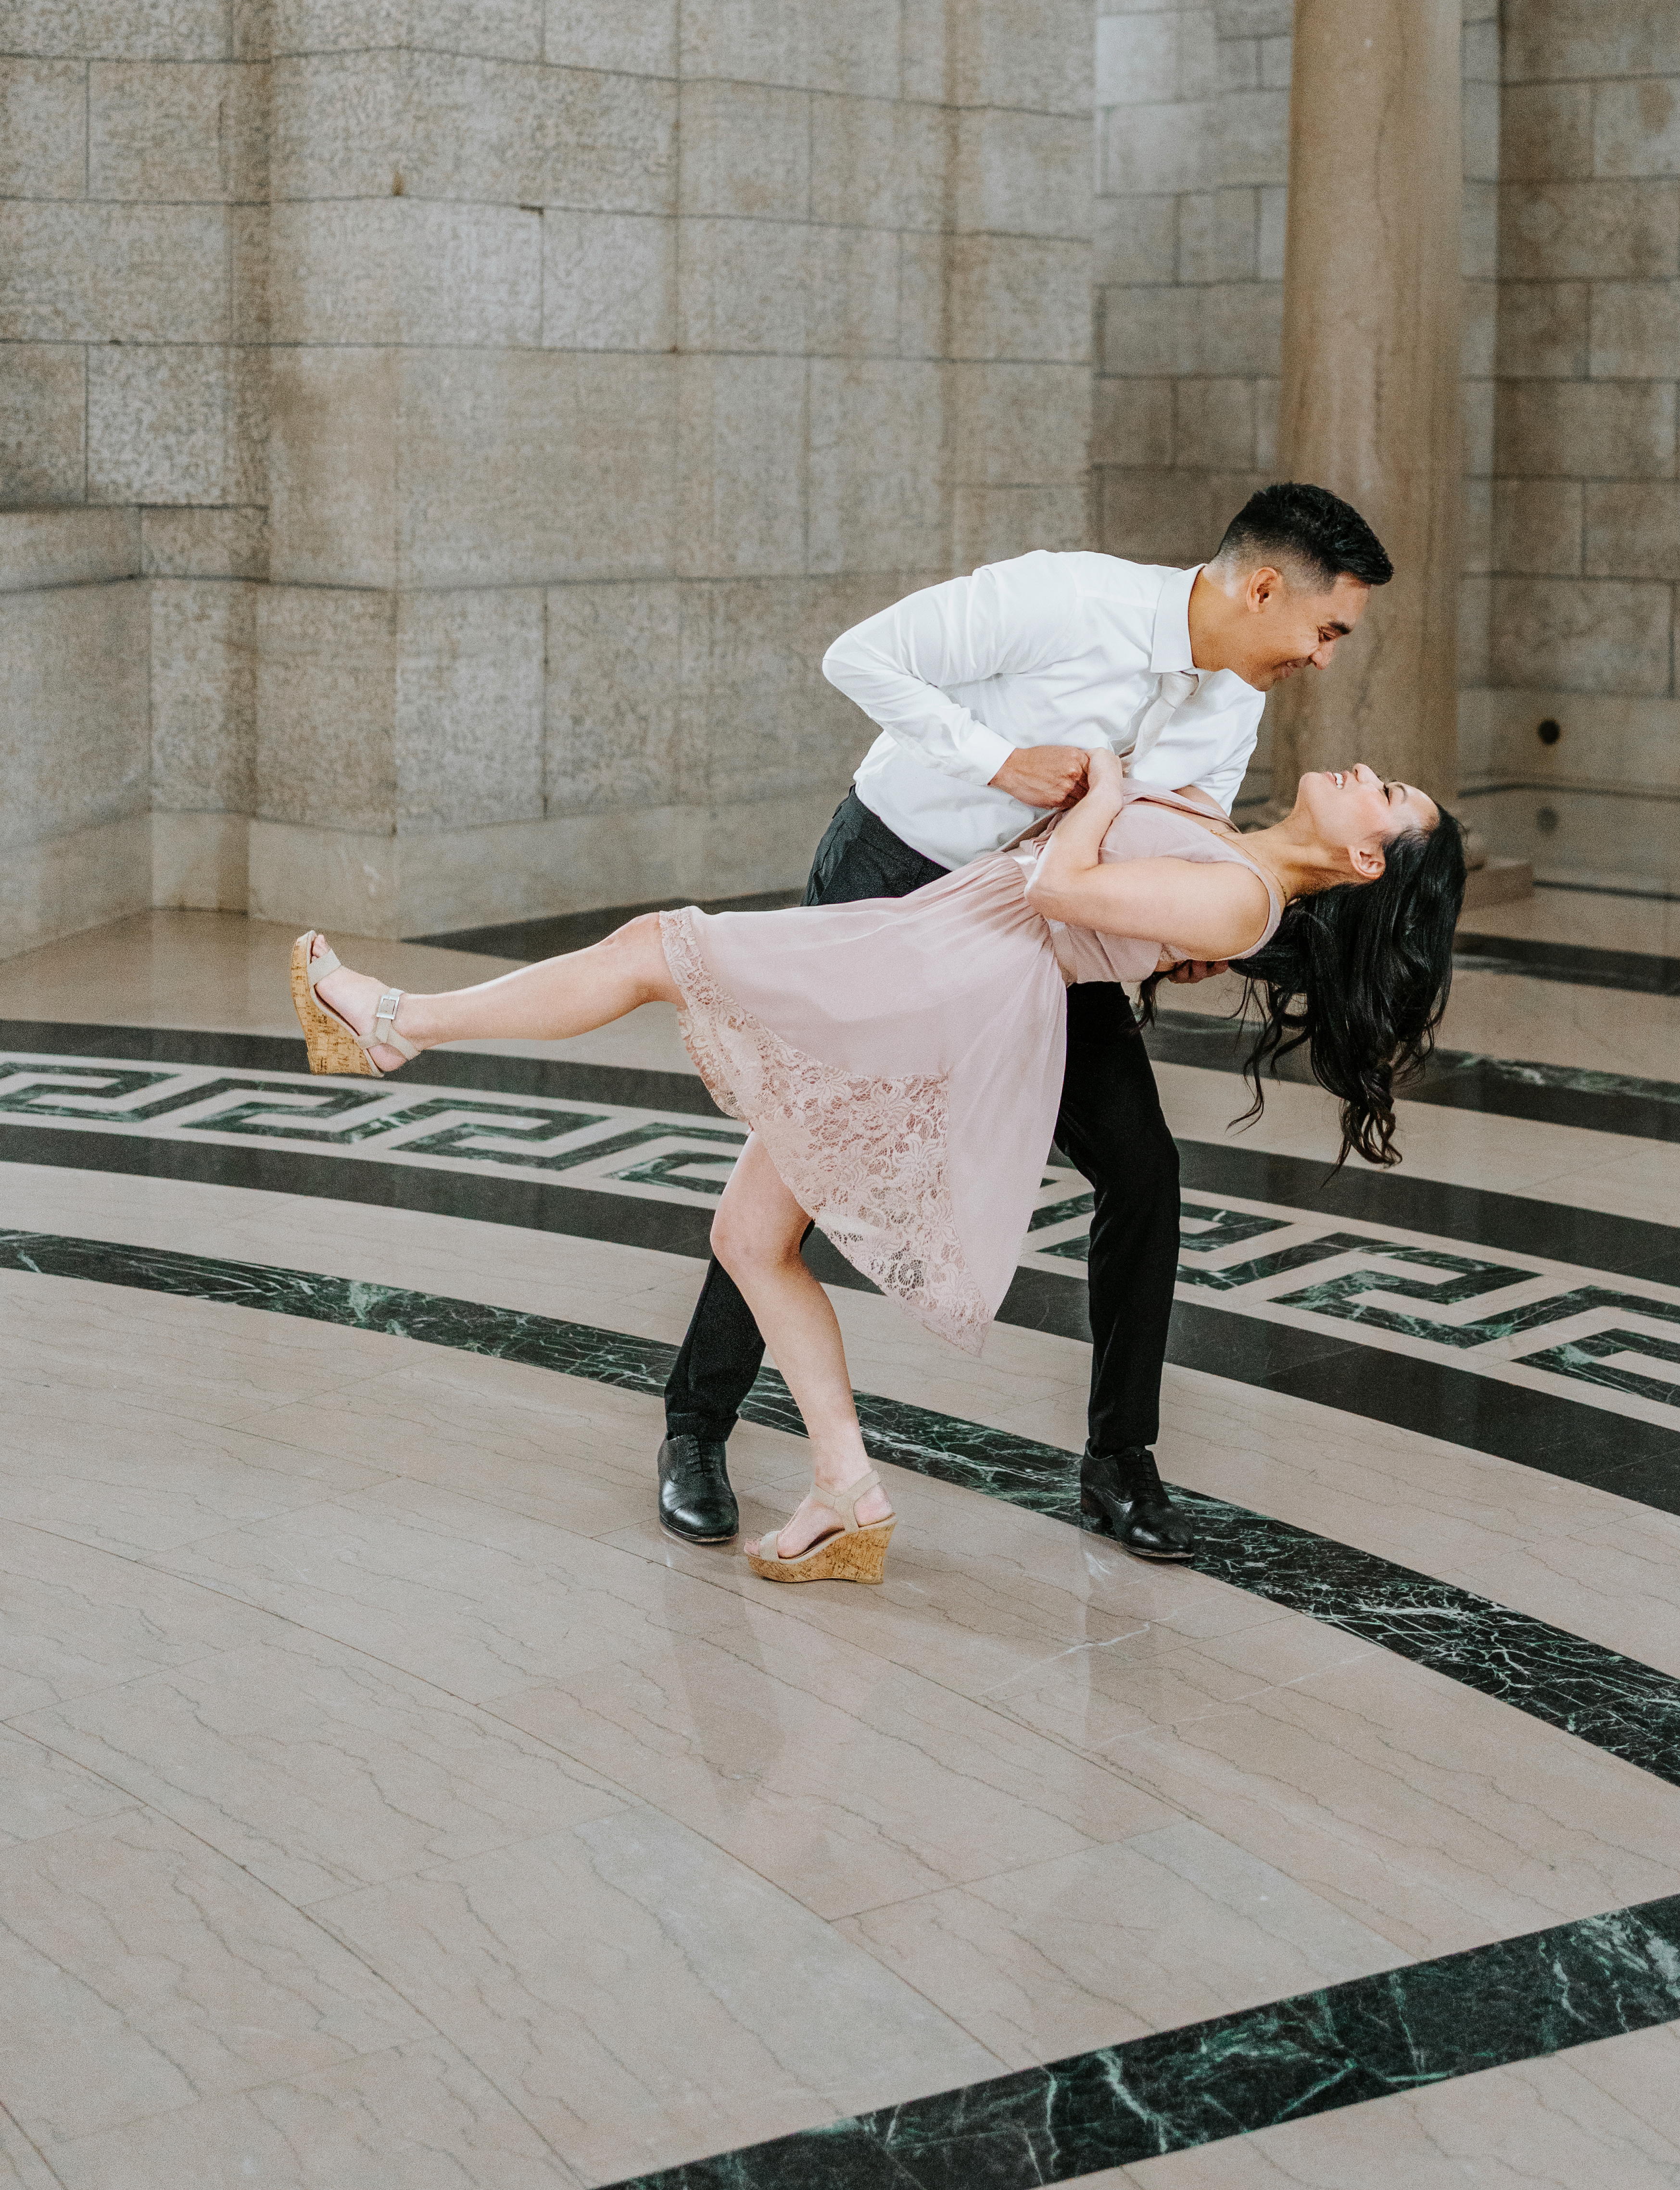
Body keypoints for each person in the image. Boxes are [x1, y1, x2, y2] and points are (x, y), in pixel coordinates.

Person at [292, 745, 1466, 1585]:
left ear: (1367, 855)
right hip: (943, 957)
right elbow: (1101, 907)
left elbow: (1060, 886)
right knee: (751, 1239)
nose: (1371, 772)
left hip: (941, 974)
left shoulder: (1246, 893)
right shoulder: (1238, 860)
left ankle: (398, 1022)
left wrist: (1107, 783)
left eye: (1390, 796)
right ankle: (845, 1489)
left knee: (659, 948)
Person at [652, 478, 1397, 1563]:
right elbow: (858, 657)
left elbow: (1173, 838)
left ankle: (1120, 1461)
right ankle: (694, 1428)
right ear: (1267, 587)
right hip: (896, 879)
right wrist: (993, 759)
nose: (1324, 657)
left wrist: (1179, 936)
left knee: (1142, 1167)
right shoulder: (1063, 598)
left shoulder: (1234, 698)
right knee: (805, 1160)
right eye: (1326, 630)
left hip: (1042, 935)